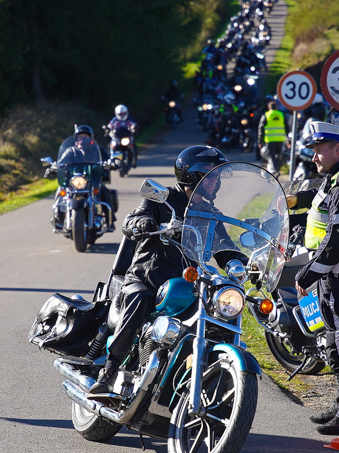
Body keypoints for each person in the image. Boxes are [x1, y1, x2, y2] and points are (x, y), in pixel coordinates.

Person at [88, 145, 241, 396]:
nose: (214, 181)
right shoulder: (161, 199)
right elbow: (131, 220)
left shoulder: (211, 214)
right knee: (140, 299)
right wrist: (143, 222)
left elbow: (224, 248)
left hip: (185, 286)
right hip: (146, 278)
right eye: (209, 175)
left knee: (219, 310)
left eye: (216, 176)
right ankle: (109, 371)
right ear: (190, 174)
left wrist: (242, 261)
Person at [285, 121, 339, 435]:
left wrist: (307, 274)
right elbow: (320, 199)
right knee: (337, 338)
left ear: (338, 148)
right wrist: (293, 202)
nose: (314, 157)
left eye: (319, 150)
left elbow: (338, 238)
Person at [258, 100, 287, 173]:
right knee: (278, 155)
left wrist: (260, 141)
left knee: (271, 156)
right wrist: (288, 140)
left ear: (268, 107)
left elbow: (260, 129)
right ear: (277, 107)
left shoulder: (266, 115)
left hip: (270, 139)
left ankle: (275, 170)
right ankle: (277, 169)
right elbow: (287, 127)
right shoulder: (281, 114)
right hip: (280, 139)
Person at [107, 104, 139, 168]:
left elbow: (133, 124)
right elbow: (110, 125)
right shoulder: (114, 120)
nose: (122, 115)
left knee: (133, 146)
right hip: (117, 137)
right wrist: (107, 129)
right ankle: (110, 160)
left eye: (123, 113)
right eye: (120, 114)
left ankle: (134, 160)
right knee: (109, 146)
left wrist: (134, 127)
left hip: (126, 137)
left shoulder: (129, 119)